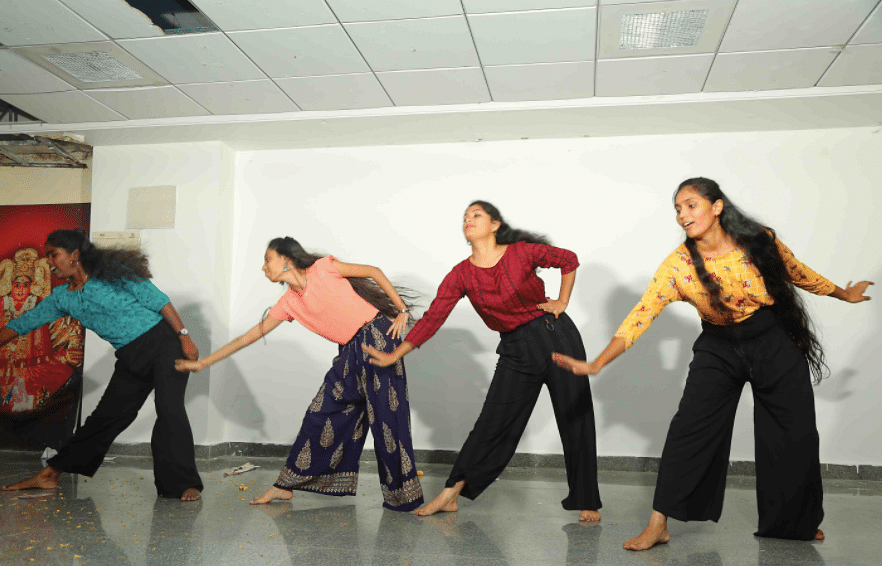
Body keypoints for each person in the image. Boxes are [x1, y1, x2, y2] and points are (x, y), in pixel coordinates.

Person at [552, 177, 873, 550]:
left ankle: (795, 523)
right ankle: (658, 525)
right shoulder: (678, 265)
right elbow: (642, 314)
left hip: (773, 341)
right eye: (677, 209)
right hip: (719, 347)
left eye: (690, 205)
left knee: (793, 433)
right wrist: (597, 364)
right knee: (688, 430)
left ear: (716, 206)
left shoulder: (758, 241)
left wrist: (843, 294)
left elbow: (797, 271)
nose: (682, 215)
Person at [363, 201, 602, 521]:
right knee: (492, 423)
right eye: (465, 217)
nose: (468, 220)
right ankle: (451, 494)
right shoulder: (461, 274)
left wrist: (562, 300)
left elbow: (568, 259)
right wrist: (395, 354)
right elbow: (433, 318)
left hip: (555, 336)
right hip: (516, 348)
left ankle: (587, 500)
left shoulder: (521, 252)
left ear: (494, 225)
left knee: (575, 416)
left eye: (476, 215)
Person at [175, 237, 424, 512]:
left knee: (388, 420)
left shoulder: (323, 268)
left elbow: (372, 271)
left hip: (377, 338)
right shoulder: (288, 303)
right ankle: (285, 485)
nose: (263, 267)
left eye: (267, 259)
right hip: (349, 351)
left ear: (286, 260)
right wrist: (203, 364)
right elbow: (248, 337)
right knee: (320, 413)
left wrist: (402, 310)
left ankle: (404, 497)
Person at [0, 229, 203, 501]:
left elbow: (159, 301)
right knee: (105, 417)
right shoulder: (62, 297)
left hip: (164, 345)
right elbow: (21, 324)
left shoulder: (113, 274)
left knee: (169, 410)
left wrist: (185, 337)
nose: (49, 262)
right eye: (47, 256)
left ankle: (183, 485)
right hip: (130, 355)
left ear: (74, 254)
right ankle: (49, 475)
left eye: (54, 255)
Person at [0, 248, 82, 413]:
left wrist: (64, 355)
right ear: (10, 286)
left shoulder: (39, 305)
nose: (21, 289)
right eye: (17, 285)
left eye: (25, 285)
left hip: (30, 371)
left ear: (31, 286)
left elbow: (59, 333)